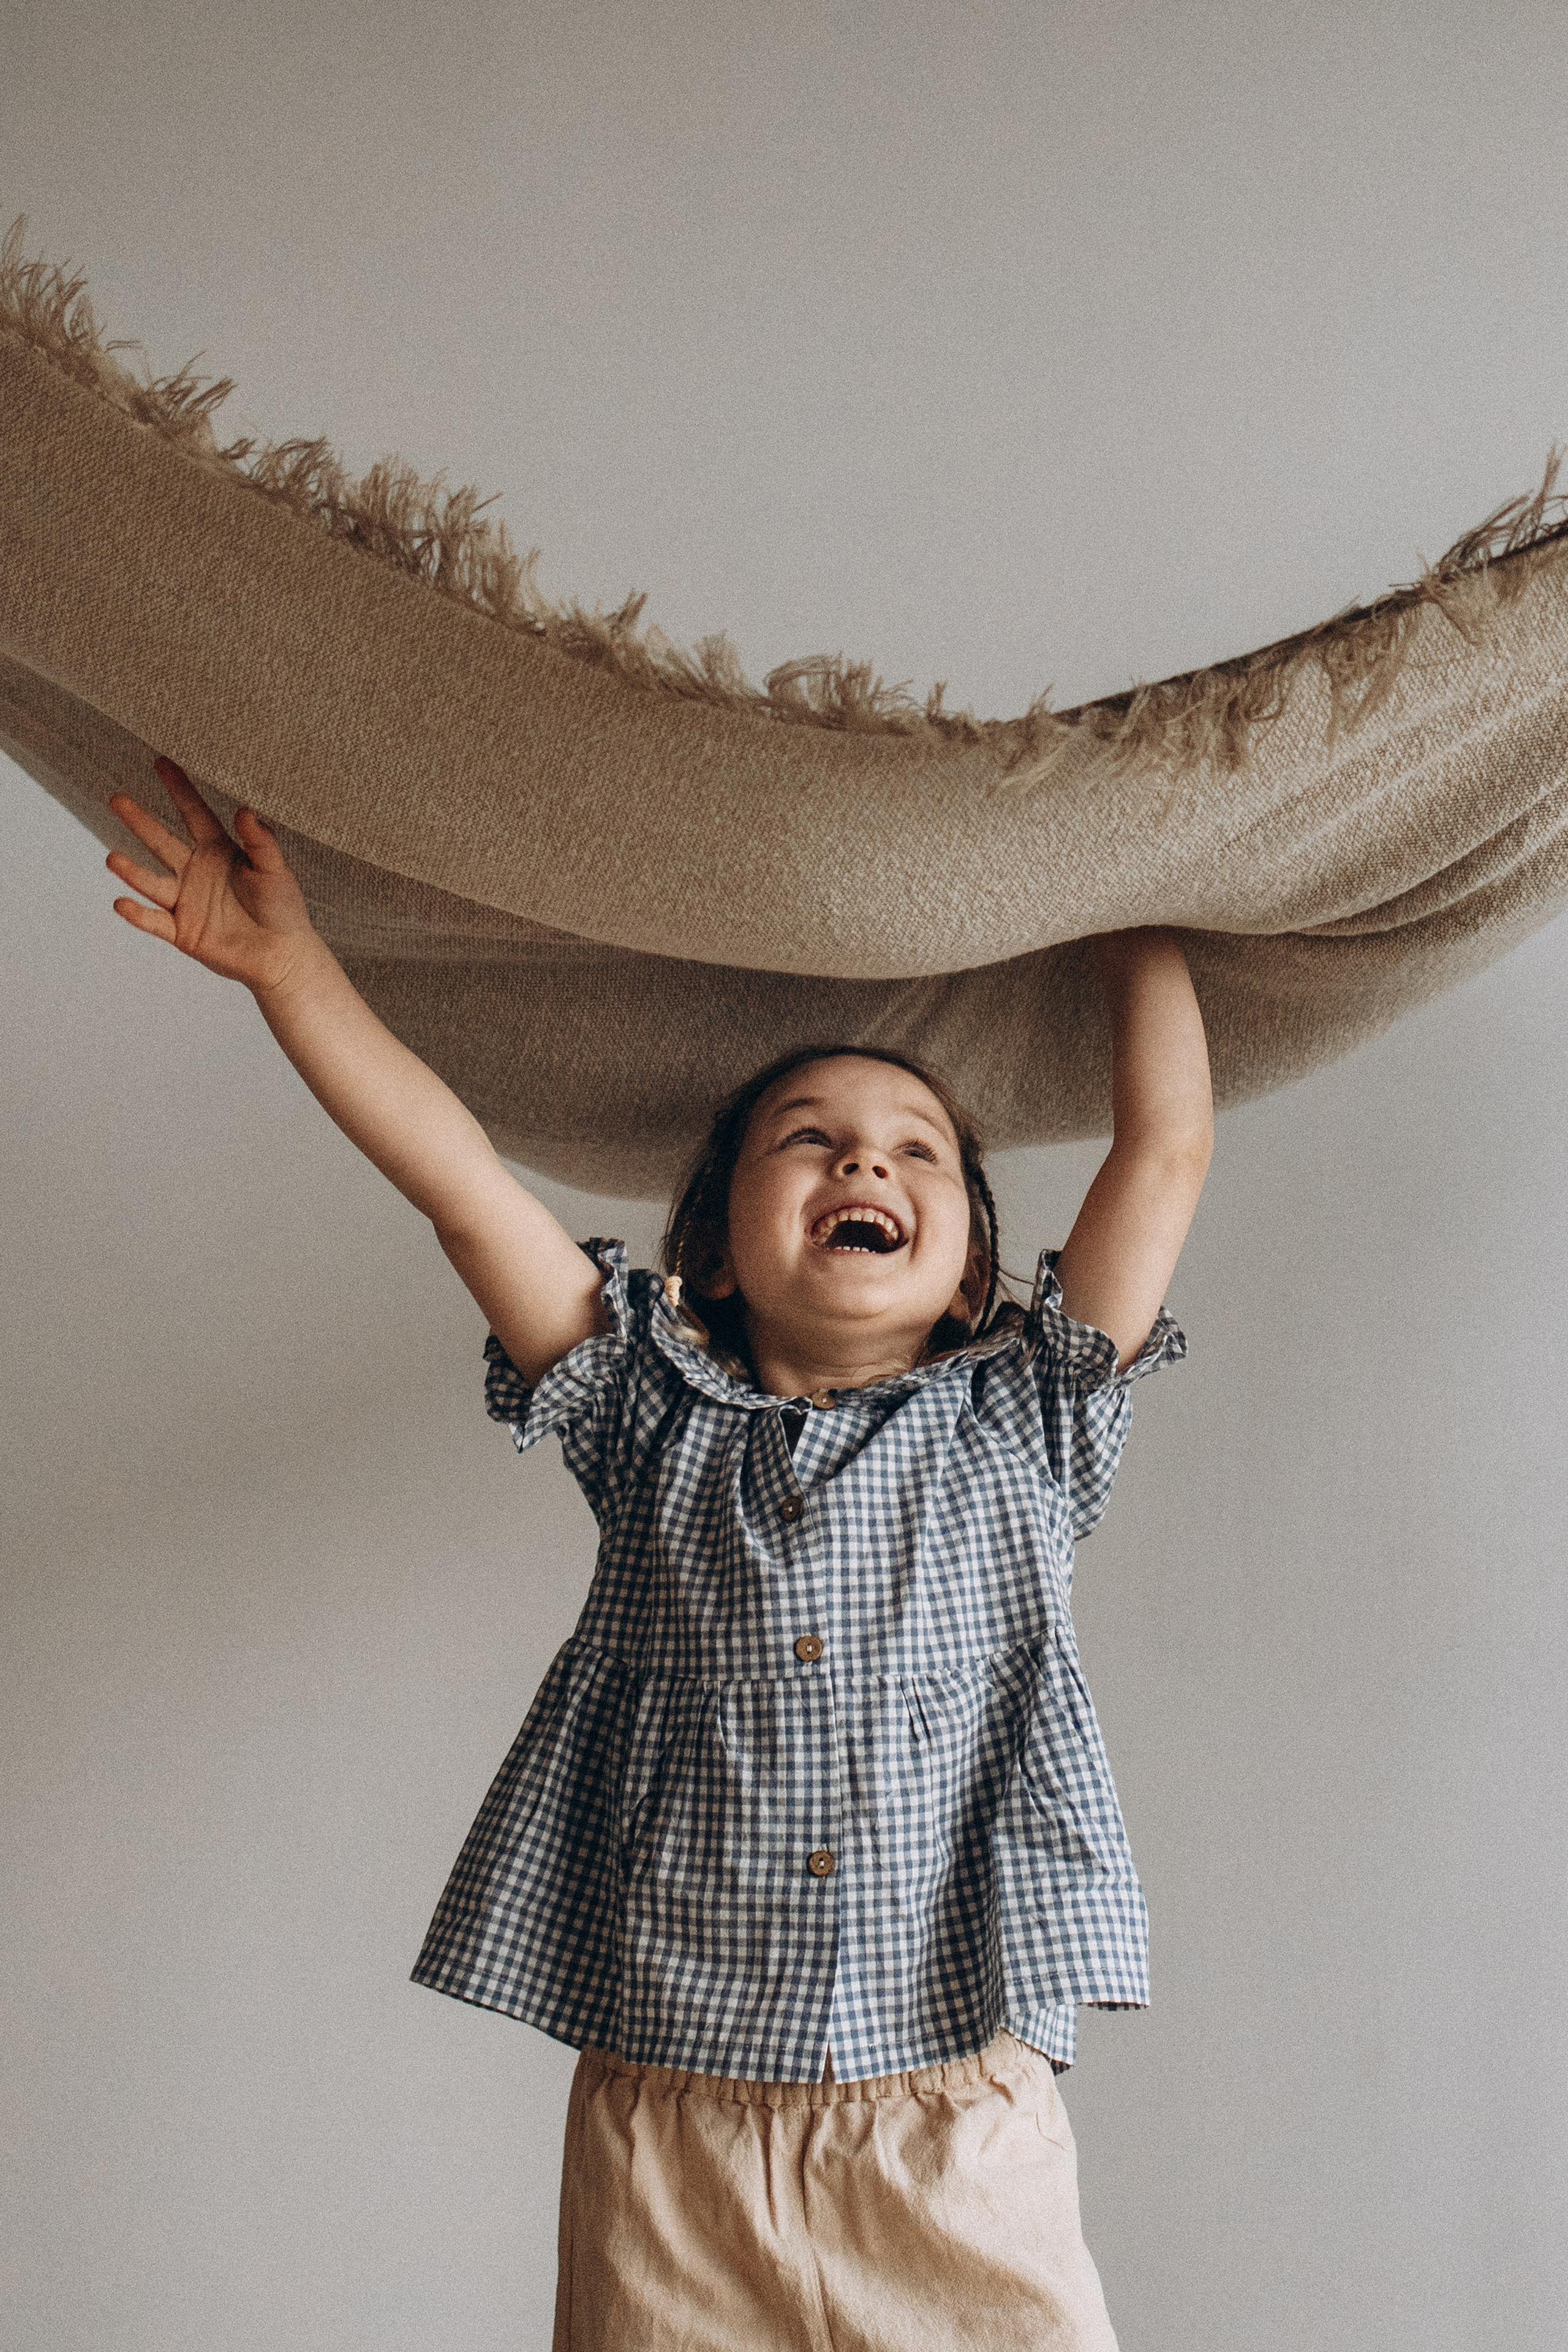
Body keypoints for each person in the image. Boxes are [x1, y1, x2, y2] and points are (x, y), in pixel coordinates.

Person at [106, 754, 1214, 2351]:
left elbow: (1163, 1151)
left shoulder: (1028, 1428)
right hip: (673, 2126)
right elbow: (462, 1188)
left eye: (915, 1152)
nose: (864, 1164)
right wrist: (292, 969)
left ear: (976, 1278)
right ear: (706, 1255)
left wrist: (1134, 917)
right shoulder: (646, 1413)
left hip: (952, 2109)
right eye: (809, 1140)